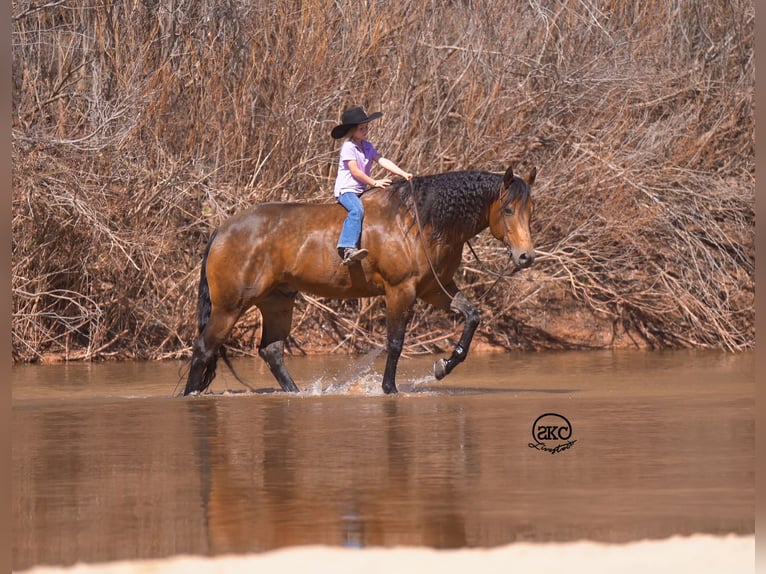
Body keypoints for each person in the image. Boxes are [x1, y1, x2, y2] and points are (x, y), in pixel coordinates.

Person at [331, 106, 413, 265]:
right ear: (352, 131)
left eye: (366, 127)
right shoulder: (348, 147)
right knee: (357, 210)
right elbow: (355, 171)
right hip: (346, 191)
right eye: (361, 128)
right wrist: (375, 182)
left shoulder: (367, 146)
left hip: (360, 190)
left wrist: (402, 173)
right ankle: (347, 248)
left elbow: (382, 161)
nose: (365, 130)